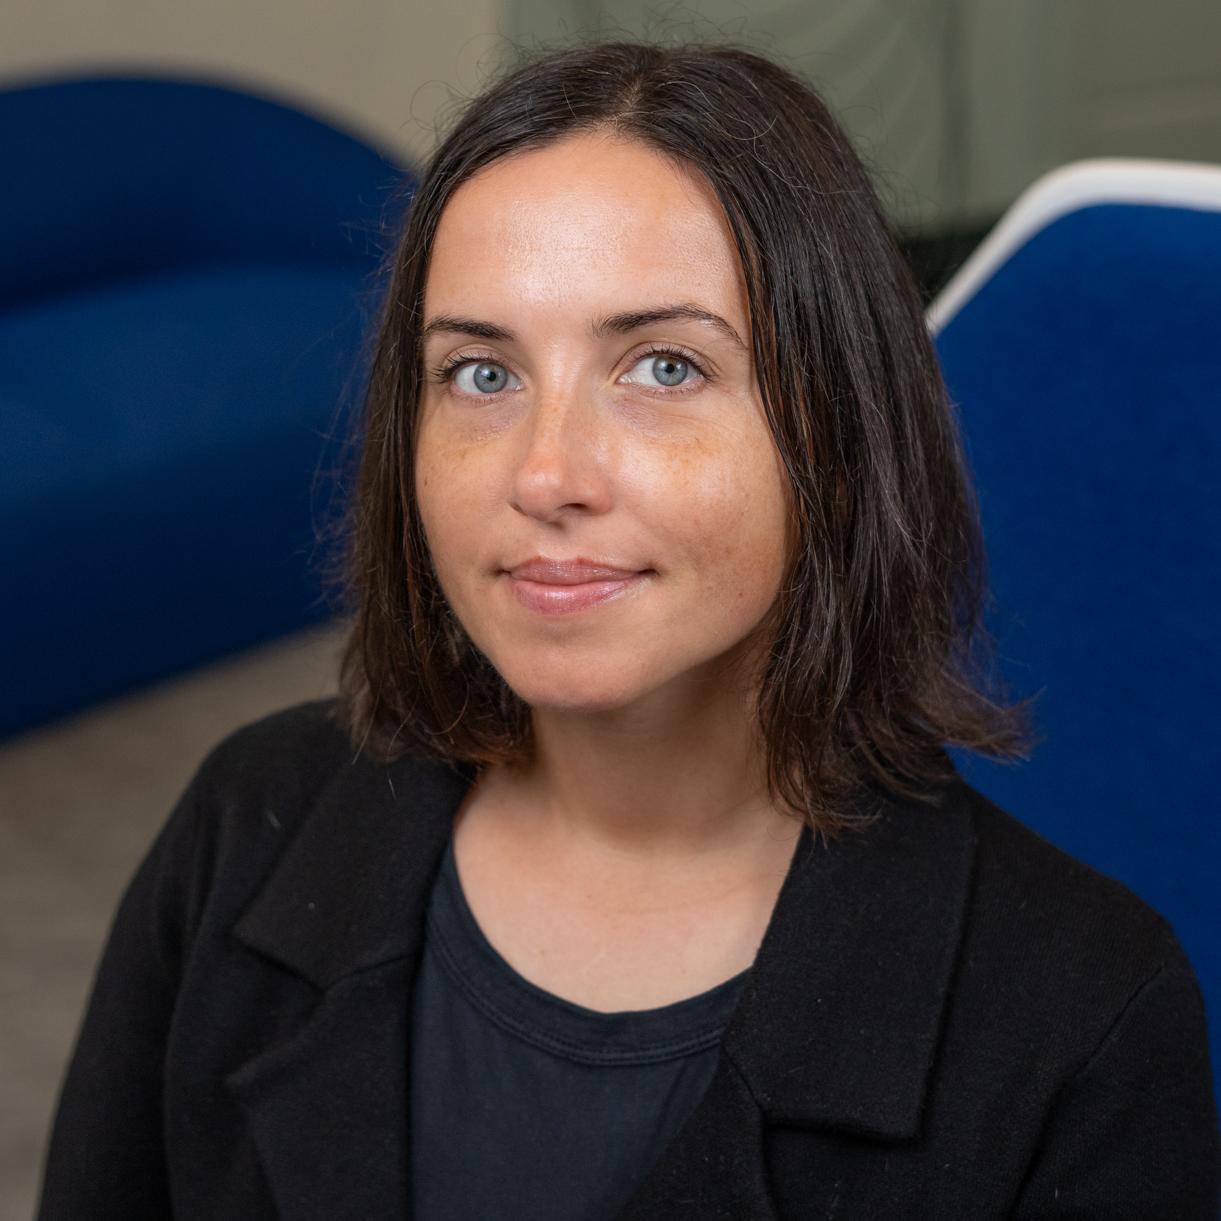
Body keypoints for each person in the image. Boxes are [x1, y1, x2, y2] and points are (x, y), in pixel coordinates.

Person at [36, 39, 1219, 1221]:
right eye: (481, 375)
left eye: (662, 366)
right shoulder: (247, 823)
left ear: (843, 439)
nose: (546, 474)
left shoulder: (1084, 1015)